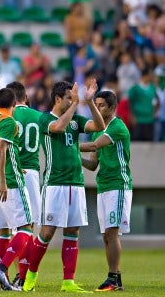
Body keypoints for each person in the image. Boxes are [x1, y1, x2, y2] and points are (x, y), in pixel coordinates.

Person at [22, 80, 106, 293]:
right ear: (58, 98)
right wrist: (75, 105)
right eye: (69, 98)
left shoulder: (76, 119)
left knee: (72, 231)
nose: (72, 101)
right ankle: (30, 276)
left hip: (76, 183)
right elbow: (59, 127)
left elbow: (100, 126)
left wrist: (89, 103)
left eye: (72, 98)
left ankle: (68, 281)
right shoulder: (45, 119)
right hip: (54, 184)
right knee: (47, 232)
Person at [0, 77, 43, 288]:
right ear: (22, 99)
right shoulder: (34, 117)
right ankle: (20, 276)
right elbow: (1, 149)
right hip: (19, 176)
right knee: (26, 227)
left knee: (0, 228)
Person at [79, 91, 132, 292]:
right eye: (97, 104)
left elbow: (94, 146)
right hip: (104, 186)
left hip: (118, 184)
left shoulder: (117, 127)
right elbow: (93, 164)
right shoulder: (97, 130)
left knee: (112, 232)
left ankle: (113, 278)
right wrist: (77, 159)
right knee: (106, 235)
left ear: (112, 108)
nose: (99, 108)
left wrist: (68, 147)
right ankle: (115, 279)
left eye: (102, 105)